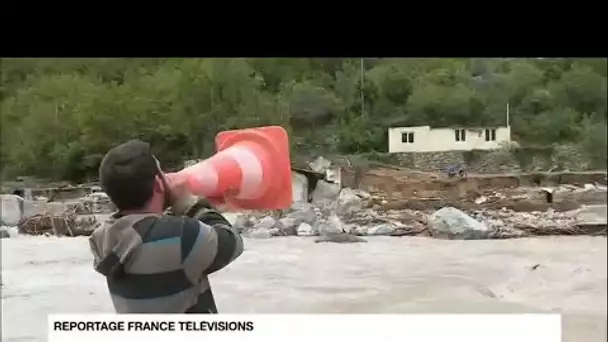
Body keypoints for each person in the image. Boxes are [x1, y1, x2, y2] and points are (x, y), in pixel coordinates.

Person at [88, 139, 244, 313]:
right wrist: (188, 203)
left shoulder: (104, 237)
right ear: (158, 184)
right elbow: (232, 242)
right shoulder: (180, 236)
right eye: (162, 172)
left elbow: (147, 230)